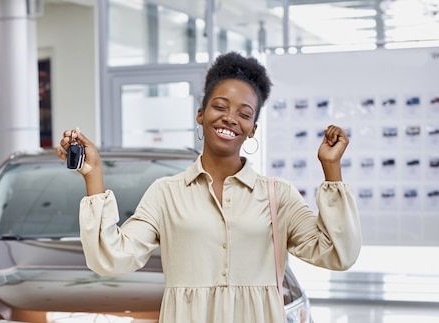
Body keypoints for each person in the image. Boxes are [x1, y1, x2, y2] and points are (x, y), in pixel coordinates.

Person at [56, 51, 361, 323]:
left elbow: (337, 254)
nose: (230, 118)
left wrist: (331, 168)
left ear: (253, 129)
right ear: (200, 114)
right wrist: (93, 174)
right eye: (220, 106)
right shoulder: (166, 193)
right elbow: (112, 257)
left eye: (244, 113)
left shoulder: (278, 194)